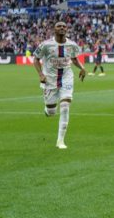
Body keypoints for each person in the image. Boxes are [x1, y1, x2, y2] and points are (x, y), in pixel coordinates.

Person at [33, 21, 87, 149]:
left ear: (67, 29)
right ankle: (48, 110)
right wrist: (40, 74)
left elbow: (74, 58)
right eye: (59, 26)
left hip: (66, 77)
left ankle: (60, 141)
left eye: (64, 26)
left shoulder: (72, 45)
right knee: (51, 111)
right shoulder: (46, 45)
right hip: (50, 80)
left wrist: (82, 67)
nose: (62, 27)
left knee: (65, 106)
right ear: (54, 29)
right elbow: (35, 58)